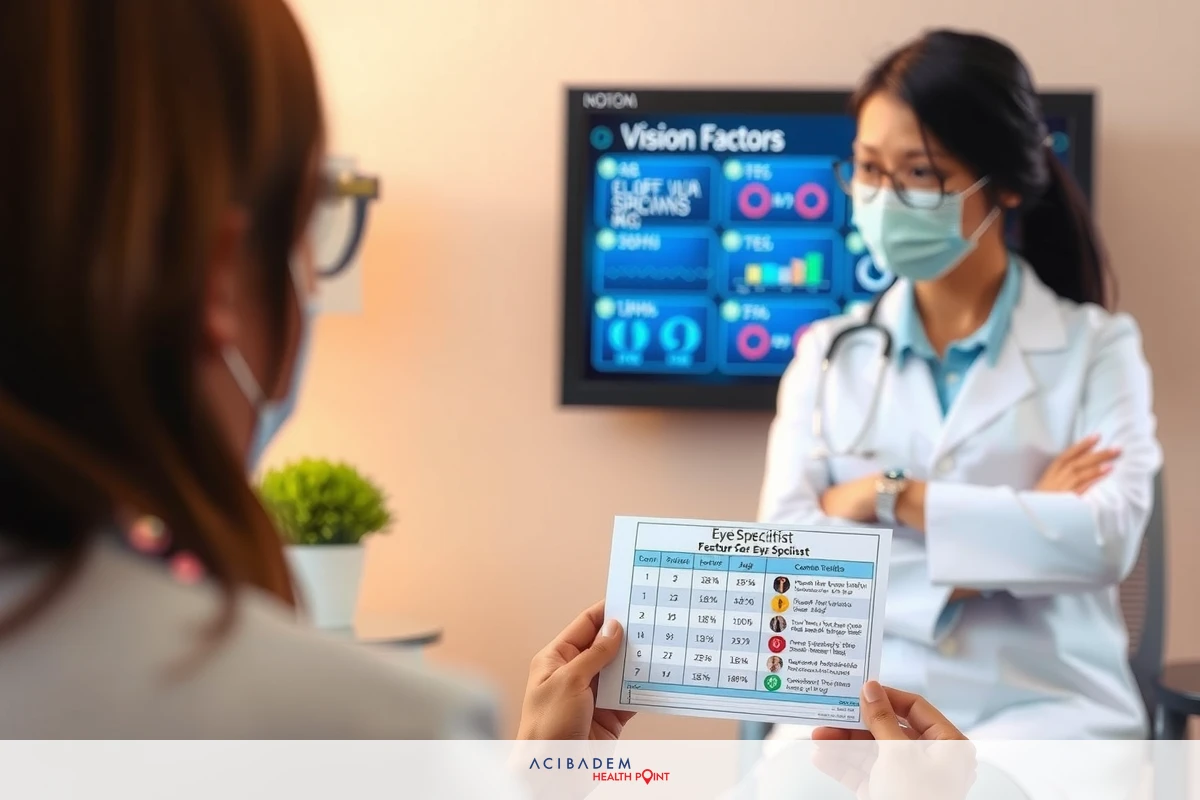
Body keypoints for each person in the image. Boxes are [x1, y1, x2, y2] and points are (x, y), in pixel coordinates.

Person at [759, 29, 1161, 739]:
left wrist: (887, 498)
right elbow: (789, 562)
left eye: (920, 174)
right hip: (858, 709)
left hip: (1050, 716)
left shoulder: (1098, 349)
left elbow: (1103, 540)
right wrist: (1022, 524)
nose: (883, 198)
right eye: (868, 168)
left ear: (1004, 182)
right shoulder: (827, 355)